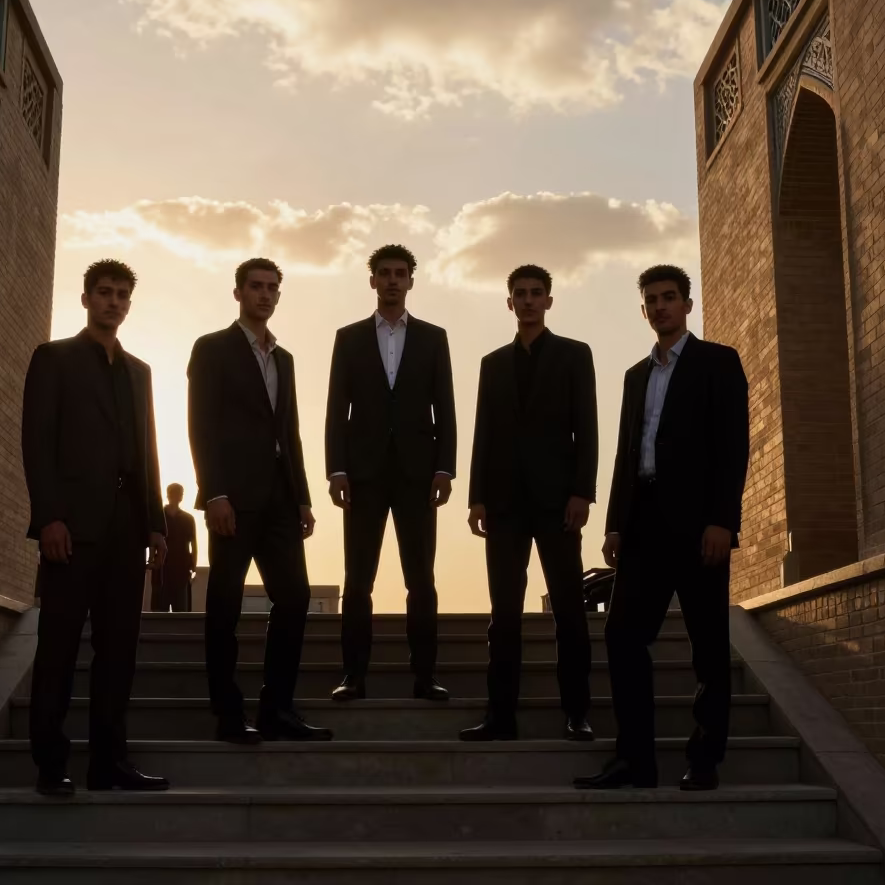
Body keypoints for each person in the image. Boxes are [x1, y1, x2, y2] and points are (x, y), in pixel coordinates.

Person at [574, 265, 749, 792]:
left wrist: (723, 520)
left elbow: (732, 447)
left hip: (700, 528)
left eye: (669, 297)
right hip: (643, 527)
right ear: (643, 309)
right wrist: (614, 525)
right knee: (622, 636)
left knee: (708, 647)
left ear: (687, 305)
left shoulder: (718, 362)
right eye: (651, 300)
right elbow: (627, 454)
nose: (660, 307)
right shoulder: (636, 376)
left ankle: (705, 759)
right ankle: (636, 761)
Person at [22, 259, 169, 796]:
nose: (113, 301)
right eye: (104, 292)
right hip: (71, 530)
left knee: (118, 652)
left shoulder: (140, 372)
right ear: (85, 299)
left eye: (122, 294)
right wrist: (49, 518)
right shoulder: (53, 358)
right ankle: (50, 765)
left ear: (129, 303)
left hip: (127, 532)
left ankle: (109, 763)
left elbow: (147, 450)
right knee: (58, 648)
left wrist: (155, 523)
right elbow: (37, 443)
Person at [188, 258, 331, 743]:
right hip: (232, 499)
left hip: (280, 501)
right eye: (255, 286)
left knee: (295, 597)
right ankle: (228, 714)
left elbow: (289, 432)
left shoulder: (284, 358)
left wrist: (303, 498)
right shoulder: (212, 348)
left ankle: (277, 709)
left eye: (272, 288)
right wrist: (214, 492)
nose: (264, 294)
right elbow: (201, 423)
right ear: (238, 293)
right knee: (224, 605)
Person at [460, 265, 597, 743]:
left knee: (569, 609)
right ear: (510, 303)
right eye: (520, 294)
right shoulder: (492, 363)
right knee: (503, 614)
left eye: (537, 293)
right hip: (503, 504)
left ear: (549, 301)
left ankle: (577, 712)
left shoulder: (575, 354)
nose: (529, 300)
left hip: (559, 502)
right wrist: (477, 496)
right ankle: (500, 716)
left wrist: (582, 492)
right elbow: (483, 431)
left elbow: (587, 427)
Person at [326, 244, 457, 702]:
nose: (392, 281)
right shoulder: (348, 338)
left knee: (421, 579)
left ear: (411, 281)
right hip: (362, 474)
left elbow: (445, 406)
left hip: (418, 475)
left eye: (400, 273)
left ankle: (425, 676)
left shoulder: (434, 338)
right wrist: (336, 469)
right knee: (358, 580)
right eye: (385, 273)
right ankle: (353, 675)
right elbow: (336, 408)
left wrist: (445, 467)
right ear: (373, 281)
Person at [150, 483, 197, 612]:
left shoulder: (188, 519)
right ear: (169, 495)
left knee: (181, 612)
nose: (178, 496)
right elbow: (153, 541)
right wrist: (152, 560)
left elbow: (193, 544)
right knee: (159, 610)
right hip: (162, 569)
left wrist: (193, 566)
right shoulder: (159, 517)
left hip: (181, 569)